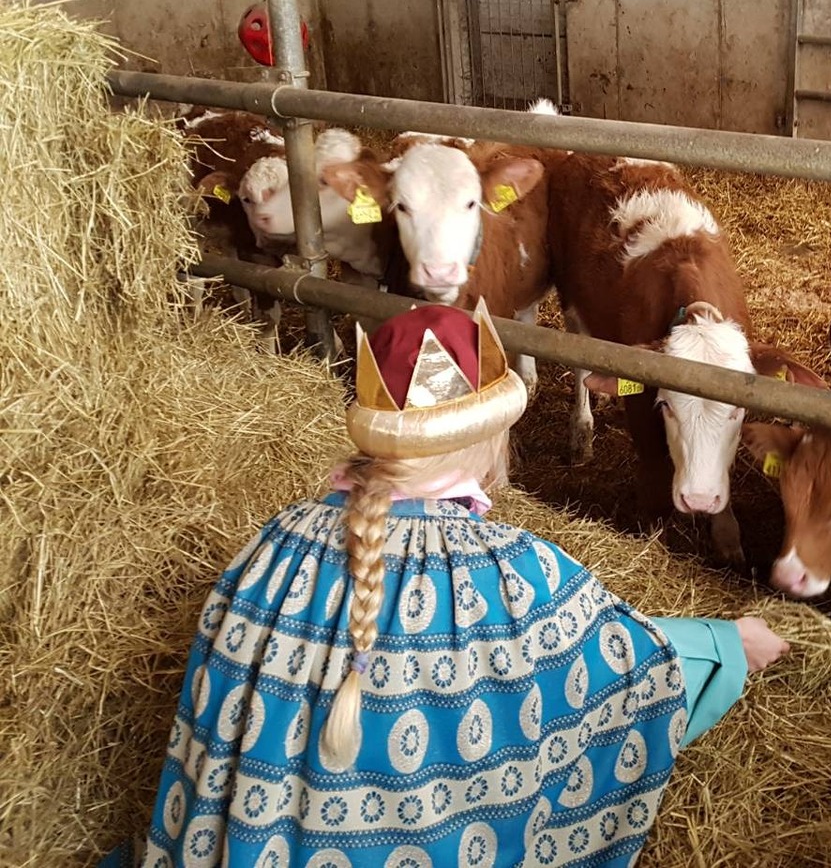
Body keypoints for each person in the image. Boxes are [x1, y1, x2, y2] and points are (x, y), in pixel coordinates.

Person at [111, 300, 788, 867]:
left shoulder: (272, 550)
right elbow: (624, 668)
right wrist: (724, 644)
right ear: (492, 437)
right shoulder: (517, 575)